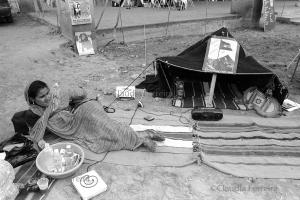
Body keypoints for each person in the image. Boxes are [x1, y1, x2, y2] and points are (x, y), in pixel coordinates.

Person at [24, 80, 164, 153]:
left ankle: (141, 138)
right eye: (42, 96)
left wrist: (71, 98)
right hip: (75, 128)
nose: (47, 97)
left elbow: (83, 93)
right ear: (32, 99)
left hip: (83, 111)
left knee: (107, 126)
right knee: (102, 139)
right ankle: (144, 135)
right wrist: (48, 111)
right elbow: (37, 136)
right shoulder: (35, 113)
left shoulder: (59, 94)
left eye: (48, 92)